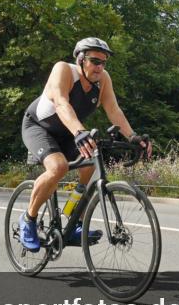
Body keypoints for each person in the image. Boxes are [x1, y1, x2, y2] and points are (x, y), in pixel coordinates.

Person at [20, 37, 151, 250]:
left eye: (104, 62)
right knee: (58, 167)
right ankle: (28, 220)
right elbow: (61, 102)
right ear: (81, 59)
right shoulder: (63, 70)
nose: (100, 67)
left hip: (69, 131)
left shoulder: (103, 80)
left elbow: (113, 110)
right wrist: (80, 131)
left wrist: (133, 137)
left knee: (91, 165)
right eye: (95, 61)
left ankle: (72, 221)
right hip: (39, 127)